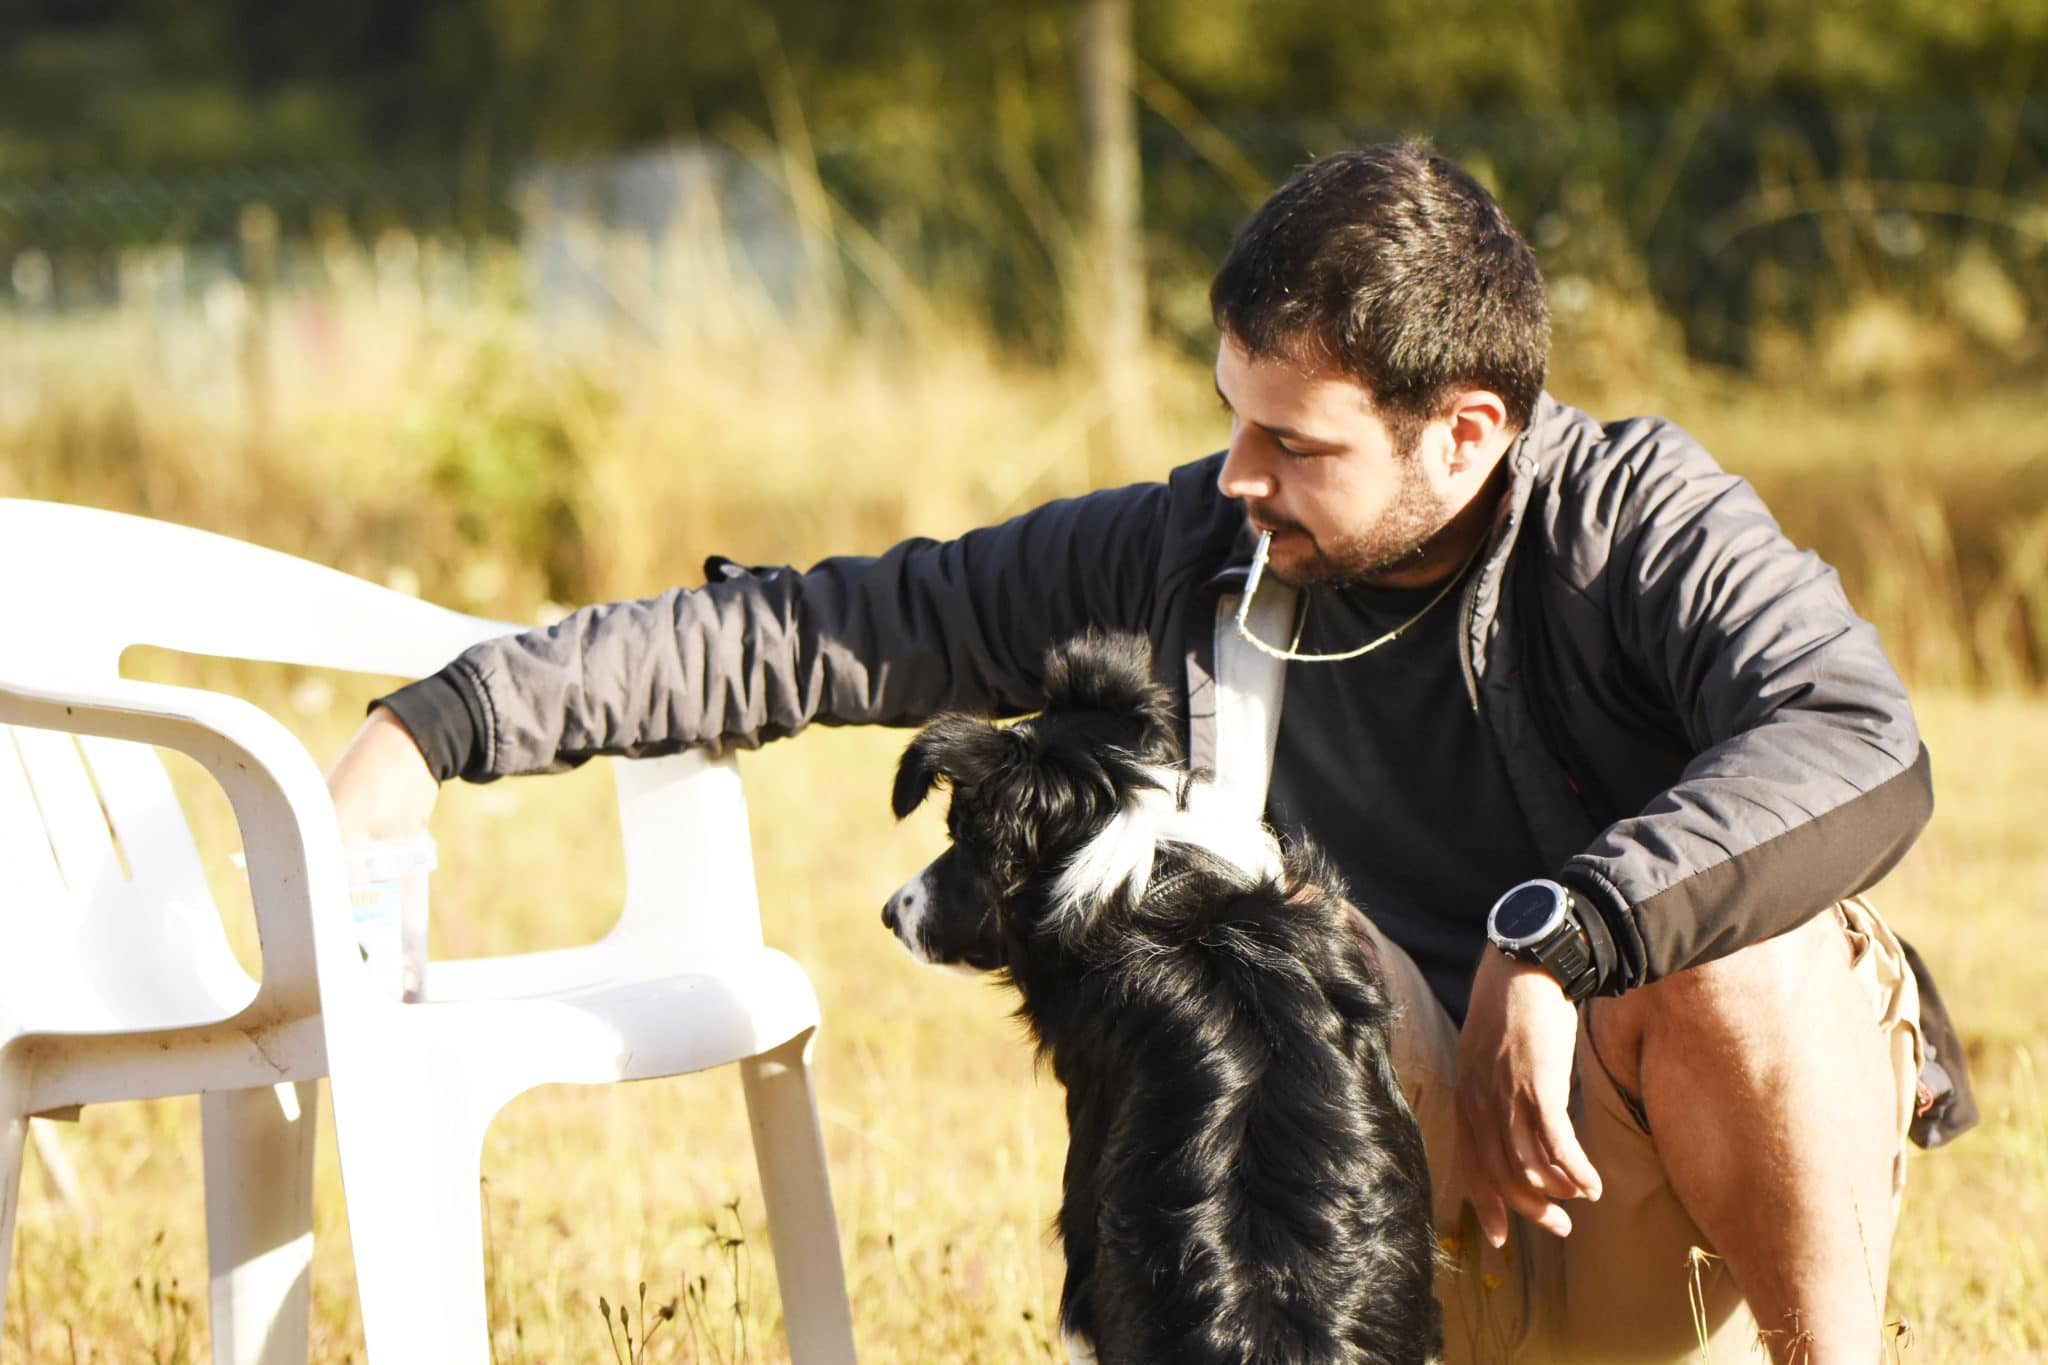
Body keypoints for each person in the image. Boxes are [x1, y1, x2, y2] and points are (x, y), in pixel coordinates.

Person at [328, 140, 1967, 1364]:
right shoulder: (1195, 544)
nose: (1235, 472)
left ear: (1465, 431)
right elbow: (826, 629)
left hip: (1631, 1187)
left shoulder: (1633, 519)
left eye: (1293, 442)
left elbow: (1855, 735)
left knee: (1753, 951)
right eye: (1230, 415)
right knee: (1287, 944)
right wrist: (444, 721)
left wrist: (1565, 935)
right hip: (1381, 1227)